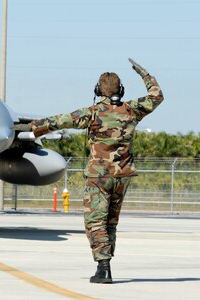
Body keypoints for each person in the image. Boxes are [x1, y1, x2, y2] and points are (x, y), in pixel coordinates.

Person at [30, 59, 164, 284]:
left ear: (97, 90)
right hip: (122, 176)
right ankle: (106, 263)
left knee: (95, 222)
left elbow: (62, 120)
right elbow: (157, 96)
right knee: (110, 222)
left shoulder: (93, 112)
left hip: (99, 177)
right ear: (120, 90)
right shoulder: (132, 110)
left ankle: (103, 267)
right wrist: (144, 74)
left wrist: (36, 127)